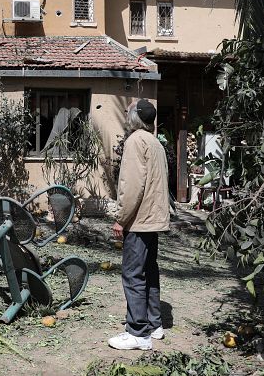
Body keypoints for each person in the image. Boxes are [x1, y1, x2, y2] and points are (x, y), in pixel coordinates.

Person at [108, 99, 170, 351]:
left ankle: (137, 333)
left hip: (139, 219)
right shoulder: (156, 142)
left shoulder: (135, 141)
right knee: (149, 271)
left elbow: (132, 185)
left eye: (128, 111)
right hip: (154, 219)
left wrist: (121, 218)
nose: (125, 114)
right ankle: (154, 325)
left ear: (135, 117)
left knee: (133, 274)